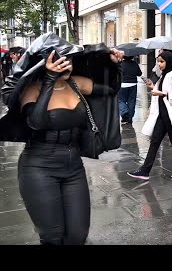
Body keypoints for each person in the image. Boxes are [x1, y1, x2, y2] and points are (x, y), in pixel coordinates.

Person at [11, 43, 123, 245]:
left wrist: (114, 64)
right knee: (52, 237)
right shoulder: (32, 89)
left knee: (77, 235)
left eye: (69, 60)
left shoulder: (76, 84)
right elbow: (36, 123)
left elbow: (111, 89)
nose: (66, 64)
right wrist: (49, 80)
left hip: (73, 166)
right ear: (44, 63)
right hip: (39, 167)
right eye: (60, 60)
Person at [128, 51, 172, 180]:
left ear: (169, 62)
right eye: (158, 61)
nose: (159, 64)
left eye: (162, 61)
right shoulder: (165, 75)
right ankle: (145, 170)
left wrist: (162, 93)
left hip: (170, 115)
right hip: (162, 115)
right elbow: (160, 92)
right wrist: (152, 87)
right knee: (155, 141)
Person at [118, 55, 142, 124]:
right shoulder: (135, 64)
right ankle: (130, 117)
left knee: (121, 100)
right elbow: (139, 73)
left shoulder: (120, 64)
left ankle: (124, 112)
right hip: (133, 84)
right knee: (131, 101)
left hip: (122, 85)